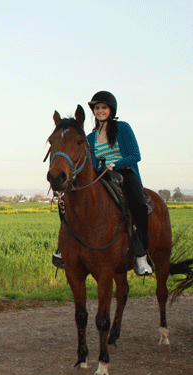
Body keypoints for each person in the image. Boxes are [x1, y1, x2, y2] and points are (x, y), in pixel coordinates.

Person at [86, 91, 153, 276]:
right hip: (100, 176)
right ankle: (66, 251)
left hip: (124, 173)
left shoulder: (123, 128)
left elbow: (135, 155)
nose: (100, 111)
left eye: (104, 108)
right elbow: (91, 162)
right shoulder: (90, 137)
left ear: (111, 110)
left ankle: (141, 256)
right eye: (97, 108)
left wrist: (114, 164)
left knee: (138, 206)